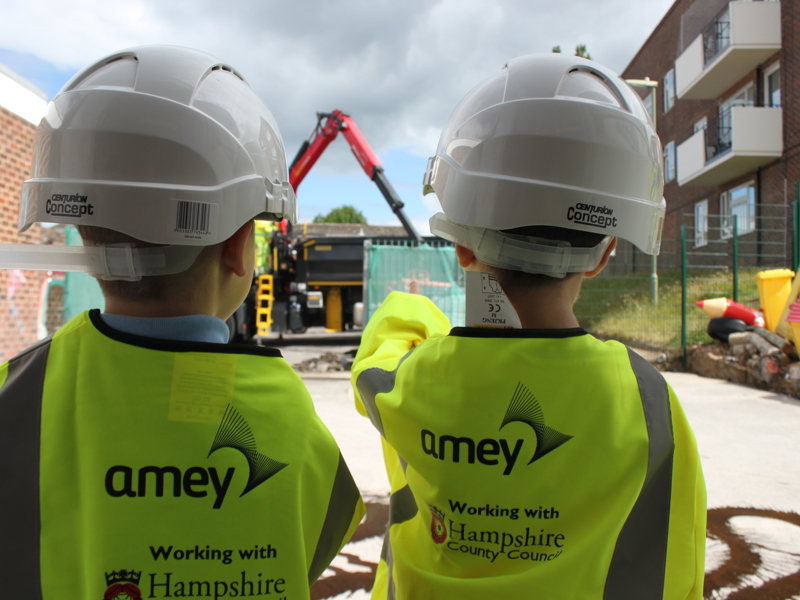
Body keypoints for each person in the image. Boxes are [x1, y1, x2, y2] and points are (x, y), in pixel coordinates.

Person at [0, 45, 364, 599]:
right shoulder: (286, 412)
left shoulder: (19, 393)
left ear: (81, 231)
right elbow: (320, 537)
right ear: (241, 249)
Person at [351, 53, 705, 599]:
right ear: (605, 252)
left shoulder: (409, 384)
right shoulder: (645, 401)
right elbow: (675, 556)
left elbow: (375, 362)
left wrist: (416, 310)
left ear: (463, 245)